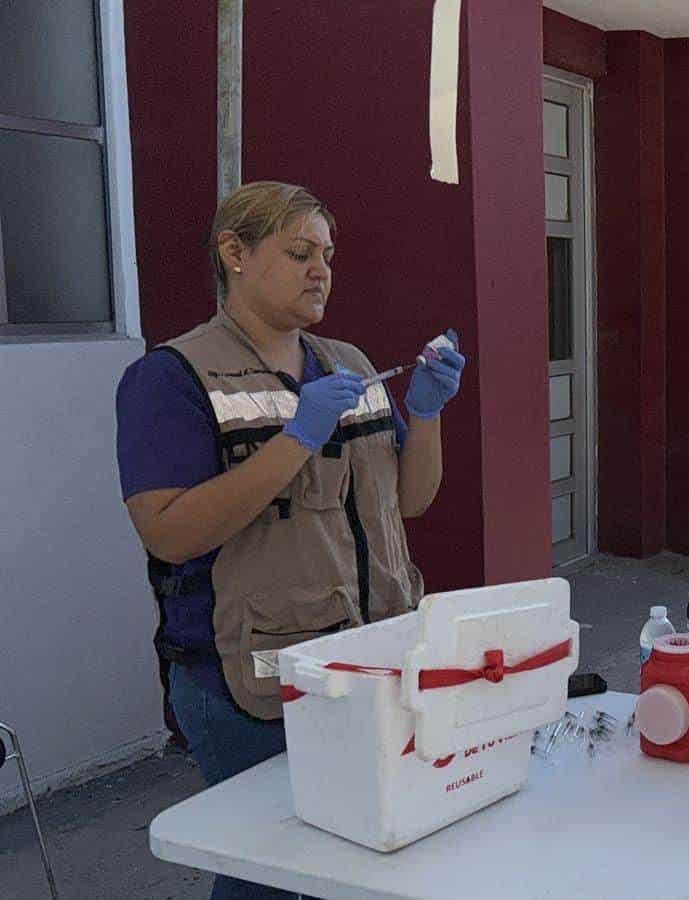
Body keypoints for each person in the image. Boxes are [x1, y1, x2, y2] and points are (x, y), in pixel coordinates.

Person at [115, 181, 466, 900]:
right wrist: (296, 438)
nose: (321, 271)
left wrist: (425, 416)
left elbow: (411, 500)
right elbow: (169, 533)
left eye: (328, 255)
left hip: (369, 666)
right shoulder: (172, 377)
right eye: (300, 252)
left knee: (356, 859)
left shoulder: (349, 364)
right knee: (270, 879)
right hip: (251, 682)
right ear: (235, 253)